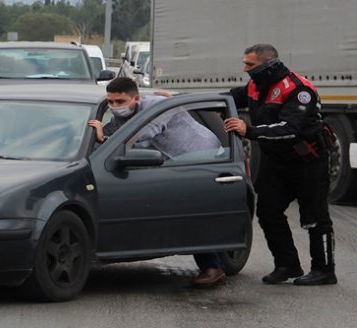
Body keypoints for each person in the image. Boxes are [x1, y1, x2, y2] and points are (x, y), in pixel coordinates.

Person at [89, 77, 226, 287]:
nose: (115, 107)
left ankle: (212, 267)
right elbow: (115, 132)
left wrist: (102, 138)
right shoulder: (125, 114)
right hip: (173, 161)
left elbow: (136, 140)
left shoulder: (156, 108)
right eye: (110, 102)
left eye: (120, 101)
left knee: (189, 211)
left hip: (200, 157)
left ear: (136, 98)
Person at [224, 44, 337, 285]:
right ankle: (287, 265)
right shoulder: (255, 85)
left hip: (308, 161)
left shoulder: (298, 89)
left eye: (249, 65)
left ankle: (324, 270)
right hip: (276, 162)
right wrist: (178, 100)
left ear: (268, 65)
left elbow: (290, 129)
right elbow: (228, 98)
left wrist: (249, 130)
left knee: (314, 218)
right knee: (267, 212)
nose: (244, 69)